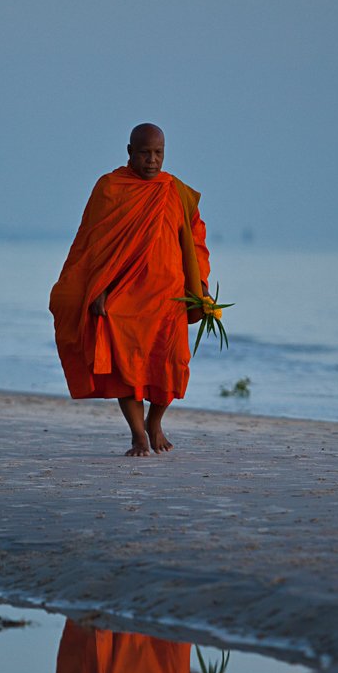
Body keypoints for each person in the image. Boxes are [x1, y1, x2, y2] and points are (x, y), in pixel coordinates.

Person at [49, 123, 210, 456]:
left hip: (170, 296)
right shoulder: (110, 188)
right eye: (145, 153)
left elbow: (194, 241)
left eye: (158, 153)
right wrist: (98, 290)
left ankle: (155, 422)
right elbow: (93, 245)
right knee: (128, 367)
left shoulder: (174, 190)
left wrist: (201, 285)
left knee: (173, 361)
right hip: (126, 297)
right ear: (129, 152)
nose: (152, 161)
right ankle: (138, 434)